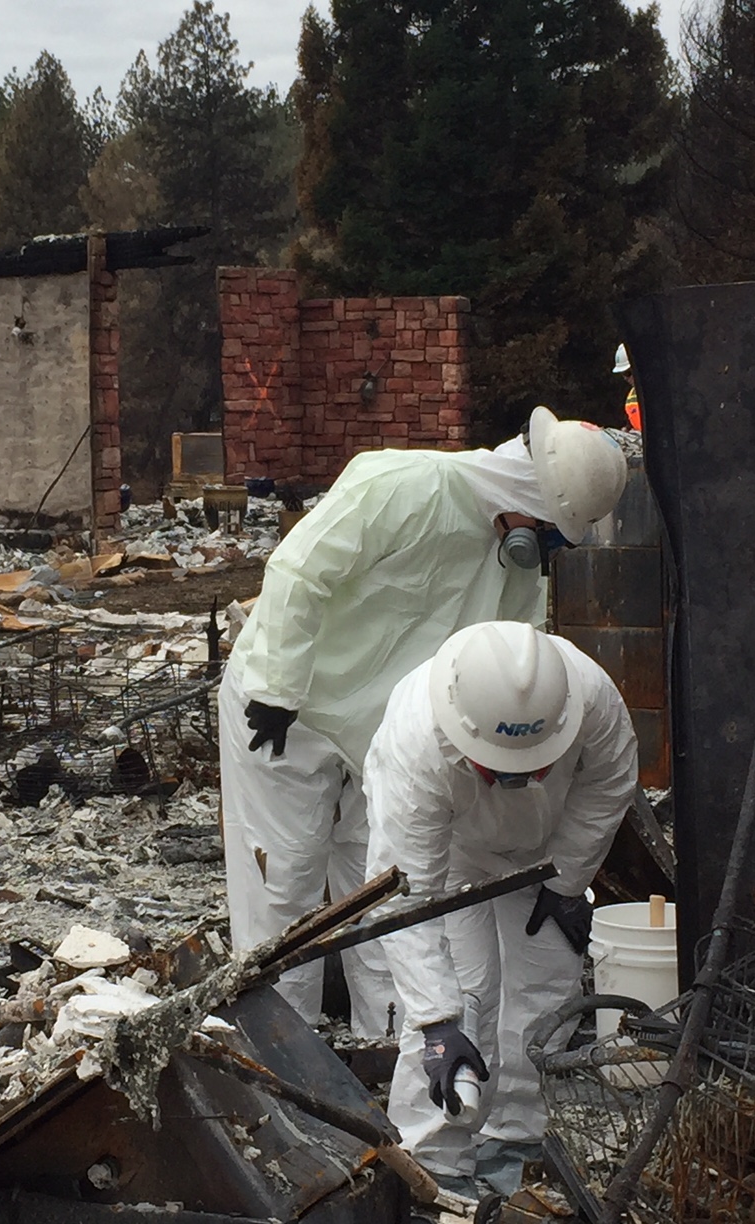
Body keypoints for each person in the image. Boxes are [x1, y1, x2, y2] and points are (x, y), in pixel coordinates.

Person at [220, 409, 627, 1037]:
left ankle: (390, 1053)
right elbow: (301, 569)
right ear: (529, 505)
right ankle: (285, 1071)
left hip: (380, 735)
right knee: (282, 892)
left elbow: (506, 662)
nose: (544, 554)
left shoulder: (514, 567)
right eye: (548, 538)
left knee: (384, 894)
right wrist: (276, 687)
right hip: (286, 715)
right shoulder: (401, 485)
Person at [363, 621, 637, 1197]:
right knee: (468, 996)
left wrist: (568, 877)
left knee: (547, 985)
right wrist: (436, 1021)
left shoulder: (588, 694)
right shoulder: (415, 744)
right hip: (452, 855)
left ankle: (518, 1136)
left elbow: (609, 783)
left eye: (531, 764)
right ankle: (432, 1159)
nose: (516, 779)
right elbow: (406, 897)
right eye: (501, 768)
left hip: (546, 852)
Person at [615, 343, 641, 432]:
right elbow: (629, 426)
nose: (626, 378)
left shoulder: (665, 394)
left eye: (628, 373)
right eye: (623, 374)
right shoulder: (631, 398)